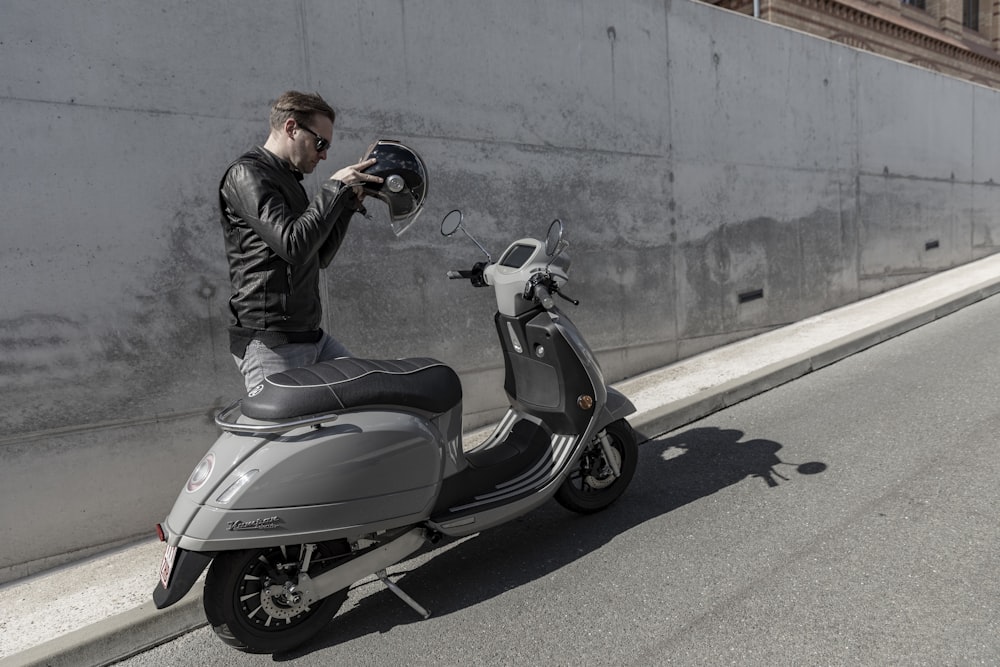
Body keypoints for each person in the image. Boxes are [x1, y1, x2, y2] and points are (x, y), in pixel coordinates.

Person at [218, 90, 383, 391]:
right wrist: (333, 188)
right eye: (321, 144)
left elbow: (318, 257)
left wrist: (346, 206)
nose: (324, 155)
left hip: (310, 336)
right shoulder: (247, 175)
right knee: (287, 437)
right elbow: (294, 246)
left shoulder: (290, 182)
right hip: (272, 344)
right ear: (292, 128)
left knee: (366, 392)